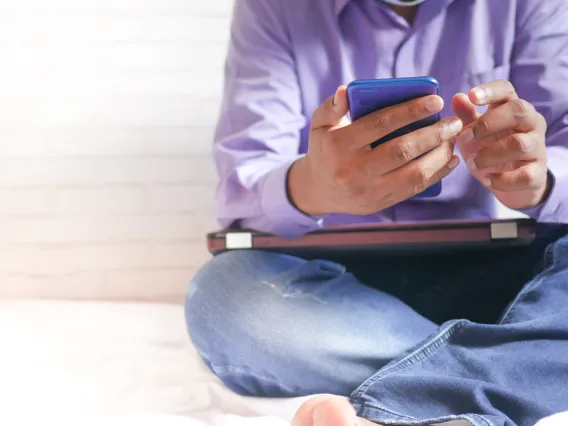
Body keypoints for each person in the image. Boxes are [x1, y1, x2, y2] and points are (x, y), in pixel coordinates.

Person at [185, 0, 568, 425]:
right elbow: (245, 180)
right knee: (227, 297)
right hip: (336, 288)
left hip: (505, 273)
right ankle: (521, 359)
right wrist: (314, 186)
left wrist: (540, 179)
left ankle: (405, 408)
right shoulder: (274, 7)